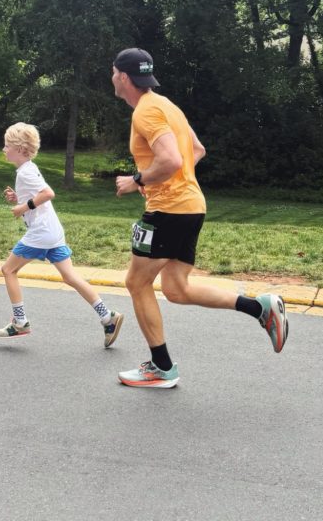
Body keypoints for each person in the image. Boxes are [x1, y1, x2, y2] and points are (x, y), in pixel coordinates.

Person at [111, 48, 288, 388]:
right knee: (176, 289)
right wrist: (161, 178)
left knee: (136, 283)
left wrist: (137, 181)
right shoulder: (167, 106)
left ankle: (161, 368)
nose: (112, 78)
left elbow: (173, 160)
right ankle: (260, 308)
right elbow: (196, 151)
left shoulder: (145, 113)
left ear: (122, 76)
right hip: (190, 207)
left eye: (112, 73)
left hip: (169, 210)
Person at [0, 122, 124, 348]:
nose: (4, 149)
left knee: (8, 270)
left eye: (7, 145)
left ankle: (20, 322)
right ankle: (108, 317)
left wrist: (21, 208)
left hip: (41, 233)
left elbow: (48, 193)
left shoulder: (26, 171)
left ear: (21, 149)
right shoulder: (28, 169)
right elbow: (36, 195)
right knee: (70, 276)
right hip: (53, 232)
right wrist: (18, 198)